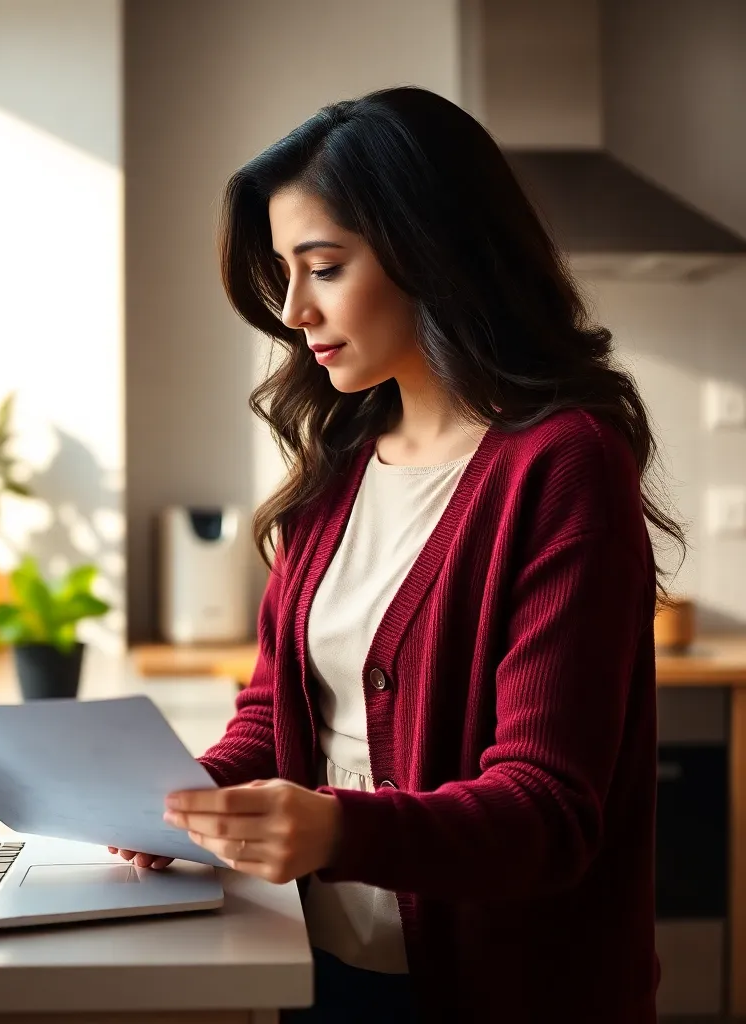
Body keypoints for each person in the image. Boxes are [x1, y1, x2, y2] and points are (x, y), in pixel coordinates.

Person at [110, 85, 683, 1023]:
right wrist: (189, 800)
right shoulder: (339, 461)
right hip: (321, 969)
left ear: (431, 250)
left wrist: (334, 828)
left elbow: (546, 813)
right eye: (283, 273)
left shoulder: (563, 463)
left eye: (323, 267)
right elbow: (277, 714)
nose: (293, 309)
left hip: (503, 995)